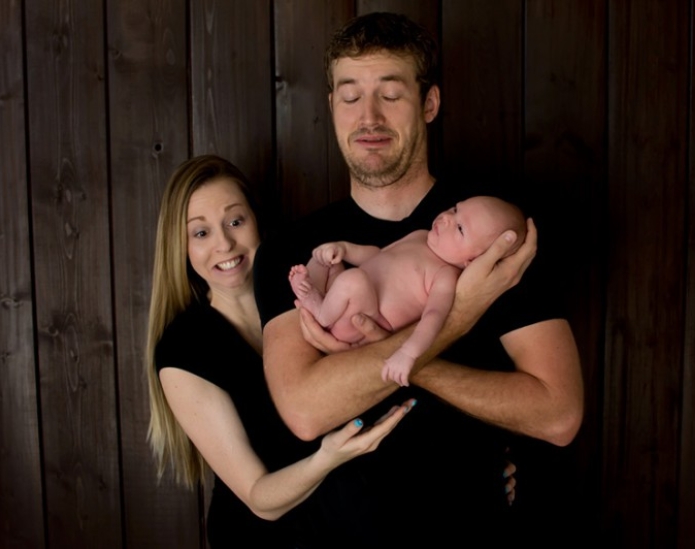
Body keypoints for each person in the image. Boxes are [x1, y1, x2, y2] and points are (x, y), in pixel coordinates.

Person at [254, 11, 585, 548]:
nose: (369, 116)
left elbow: (558, 413)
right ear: (331, 105)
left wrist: (405, 358)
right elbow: (306, 410)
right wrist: (456, 319)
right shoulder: (296, 252)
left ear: (429, 104)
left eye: (391, 94)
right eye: (350, 94)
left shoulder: (489, 234)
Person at [144, 154, 415, 548]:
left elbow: (386, 374)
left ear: (257, 221)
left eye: (235, 221)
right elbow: (260, 498)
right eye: (200, 233)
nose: (224, 244)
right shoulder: (185, 347)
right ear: (179, 246)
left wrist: (467, 466)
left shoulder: (311, 291)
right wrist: (327, 457)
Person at [289, 195, 527, 386]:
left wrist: (408, 353)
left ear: (473, 262)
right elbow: (379, 255)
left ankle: (319, 310)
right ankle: (314, 293)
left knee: (353, 280)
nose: (446, 218)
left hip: (359, 321)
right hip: (347, 295)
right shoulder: (421, 235)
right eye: (455, 209)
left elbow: (433, 317)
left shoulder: (445, 277)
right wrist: (345, 249)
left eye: (460, 229)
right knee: (325, 258)